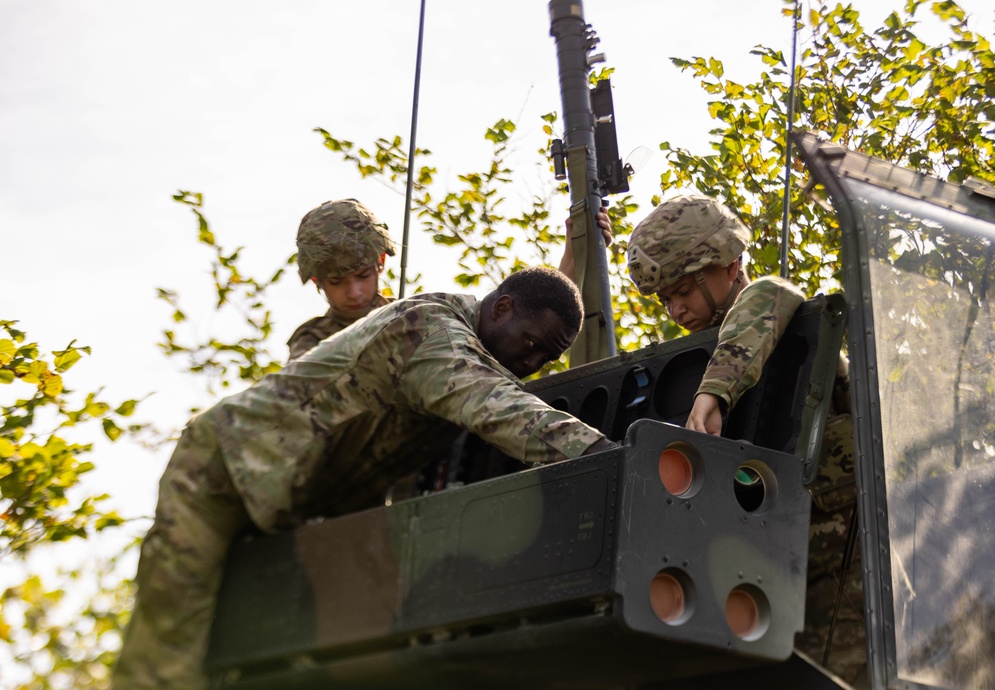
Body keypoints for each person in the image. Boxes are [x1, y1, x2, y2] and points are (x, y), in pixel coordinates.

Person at [111, 266, 614, 690]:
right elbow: (498, 408)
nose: (531, 364)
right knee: (168, 650)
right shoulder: (429, 332)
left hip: (297, 500)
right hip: (220, 474)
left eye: (546, 358)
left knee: (308, 657)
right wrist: (613, 457)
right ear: (501, 308)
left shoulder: (481, 350)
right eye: (530, 345)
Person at [625, 194, 866, 686]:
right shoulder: (692, 363)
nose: (676, 308)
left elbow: (768, 297)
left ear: (730, 265)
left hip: (848, 556)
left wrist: (713, 394)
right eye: (664, 298)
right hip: (778, 567)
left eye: (684, 290)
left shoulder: (771, 308)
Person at [287, 198, 396, 361]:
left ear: (381, 261)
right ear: (316, 280)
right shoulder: (313, 342)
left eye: (363, 275)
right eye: (336, 281)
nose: (354, 292)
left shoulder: (413, 316)